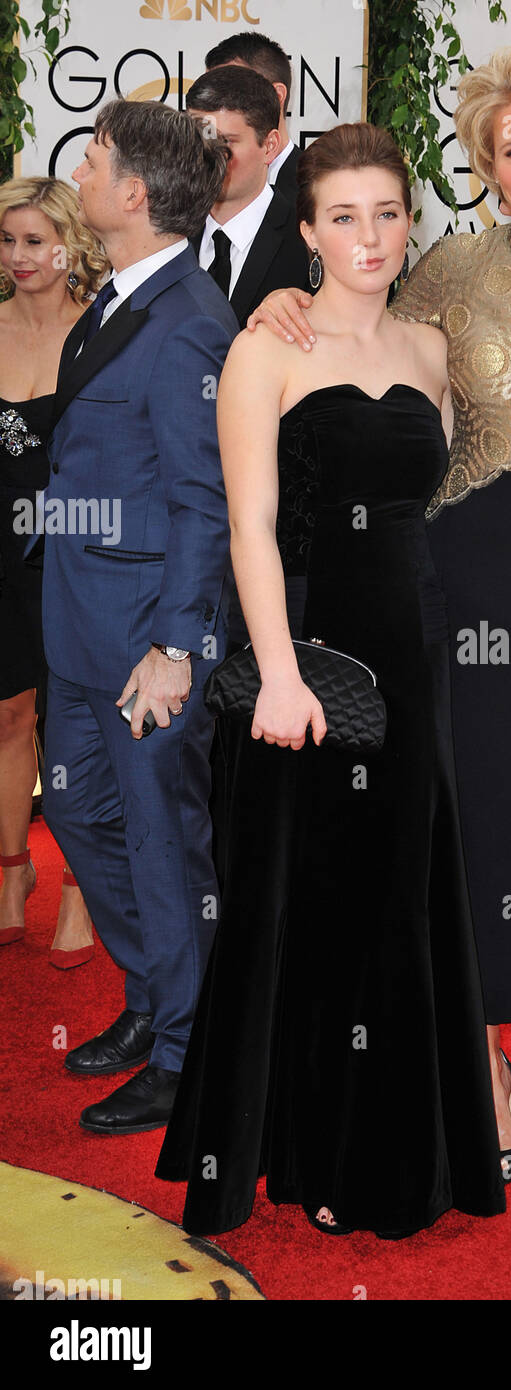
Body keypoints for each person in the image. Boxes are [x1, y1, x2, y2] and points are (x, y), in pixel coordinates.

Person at [251, 46, 511, 1177]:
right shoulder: (443, 266)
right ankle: (483, 1063)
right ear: (484, 162)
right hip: (461, 582)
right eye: (510, 149)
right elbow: (363, 325)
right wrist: (289, 296)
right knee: (473, 823)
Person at [157, 123, 506, 1240]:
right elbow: (249, 527)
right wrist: (273, 673)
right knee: (294, 898)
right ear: (304, 231)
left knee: (396, 894)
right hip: (305, 657)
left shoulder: (431, 350)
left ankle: (385, 1158)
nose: (367, 236)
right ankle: (300, 1150)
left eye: (387, 213)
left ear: (412, 223)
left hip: (411, 652)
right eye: (342, 216)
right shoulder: (268, 350)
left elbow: (452, 502)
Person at [41, 99, 236, 1133]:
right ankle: (156, 994)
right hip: (78, 624)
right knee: (79, 814)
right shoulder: (117, 303)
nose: (77, 166)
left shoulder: (195, 324)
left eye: (94, 156)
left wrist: (173, 644)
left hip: (147, 638)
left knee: (162, 837)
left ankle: (185, 1044)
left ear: (134, 194)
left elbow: (208, 502)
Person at [0, 176, 106, 967]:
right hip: (1, 555)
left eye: (35, 241)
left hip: (80, 552)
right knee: (7, 715)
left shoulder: (101, 331)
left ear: (70, 244)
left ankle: (82, 888)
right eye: (7, 241)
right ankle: (12, 873)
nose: (18, 257)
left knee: (76, 721)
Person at [186, 65, 310, 329]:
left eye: (226, 142)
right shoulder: (167, 235)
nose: (208, 157)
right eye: (199, 140)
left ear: (270, 146)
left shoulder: (307, 244)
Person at [204, 31, 298, 197]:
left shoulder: (314, 186)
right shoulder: (198, 185)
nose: (216, 107)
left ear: (277, 96)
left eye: (231, 93)